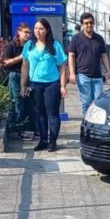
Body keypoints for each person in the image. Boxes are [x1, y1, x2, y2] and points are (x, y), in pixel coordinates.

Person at [21, 18, 68, 152]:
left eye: (41, 28)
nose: (38, 31)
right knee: (39, 113)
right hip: (35, 84)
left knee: (52, 113)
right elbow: (25, 66)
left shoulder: (55, 45)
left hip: (52, 84)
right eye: (36, 28)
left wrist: (63, 86)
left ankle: (52, 141)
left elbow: (62, 66)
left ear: (47, 30)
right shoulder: (29, 45)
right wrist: (23, 85)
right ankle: (43, 140)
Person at [67, 12, 110, 117]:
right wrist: (72, 73)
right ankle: (86, 122)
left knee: (98, 102)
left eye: (91, 22)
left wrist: (108, 70)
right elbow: (71, 56)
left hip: (97, 76)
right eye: (86, 23)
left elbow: (104, 56)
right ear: (82, 24)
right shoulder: (76, 38)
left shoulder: (99, 38)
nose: (89, 25)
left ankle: (95, 121)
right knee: (86, 101)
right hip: (82, 75)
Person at [4, 23, 32, 137]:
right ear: (19, 32)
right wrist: (21, 57)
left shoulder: (29, 46)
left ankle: (25, 128)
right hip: (15, 75)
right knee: (16, 102)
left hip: (27, 76)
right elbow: (6, 62)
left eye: (29, 33)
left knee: (27, 102)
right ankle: (15, 130)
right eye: (25, 32)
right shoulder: (12, 45)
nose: (27, 35)